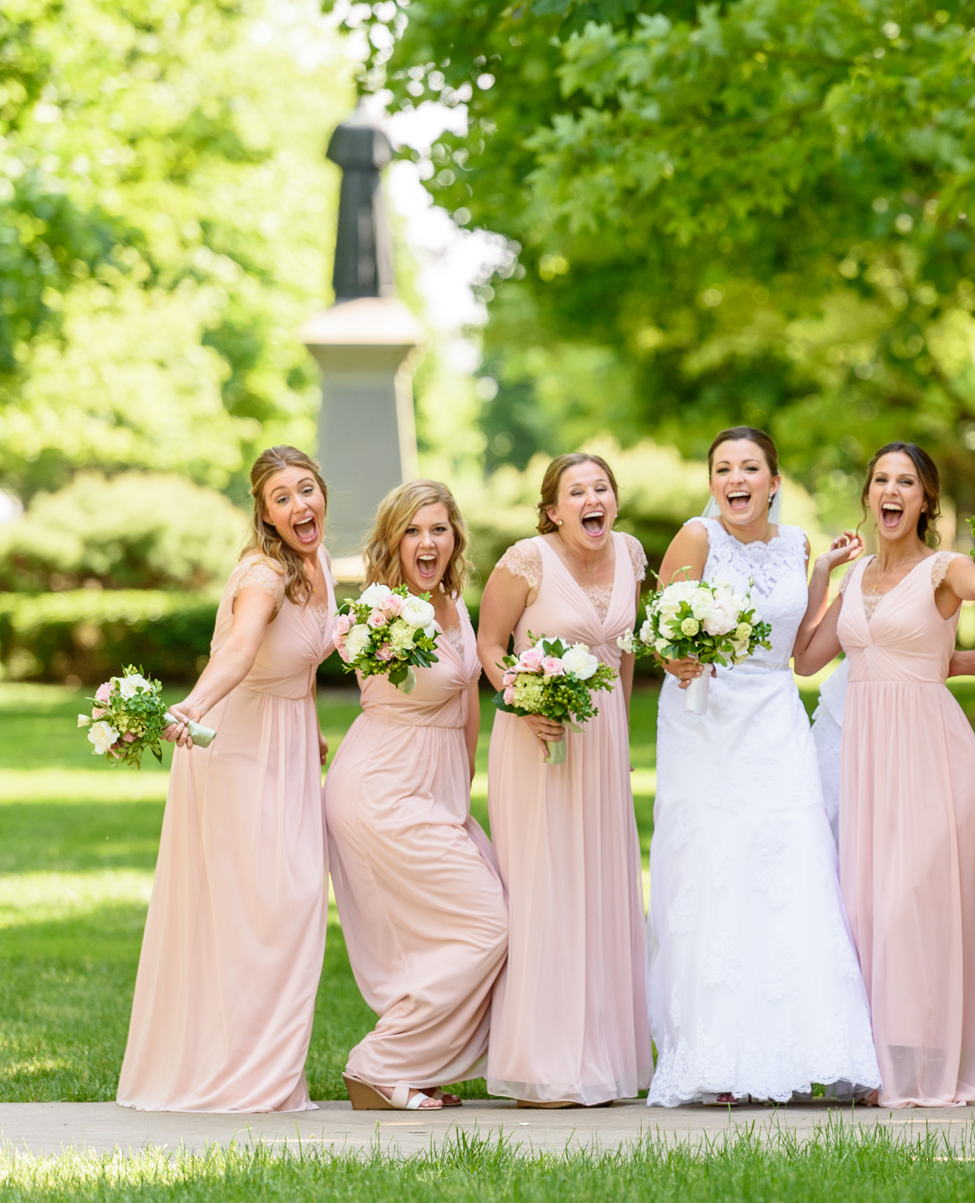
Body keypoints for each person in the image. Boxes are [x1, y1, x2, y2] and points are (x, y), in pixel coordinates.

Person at [645, 427, 880, 1107]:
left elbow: (802, 652)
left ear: (774, 480)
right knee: (715, 868)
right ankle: (716, 1058)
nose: (737, 478)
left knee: (790, 866)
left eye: (751, 467)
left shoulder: (797, 542)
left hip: (774, 717)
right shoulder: (696, 537)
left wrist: (826, 573)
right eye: (724, 468)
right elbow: (661, 629)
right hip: (705, 716)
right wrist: (677, 658)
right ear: (712, 480)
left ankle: (815, 1046)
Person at [793, 442, 975, 1108]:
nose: (891, 492)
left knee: (914, 906)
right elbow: (808, 659)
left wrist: (964, 660)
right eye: (881, 480)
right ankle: (880, 1064)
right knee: (867, 906)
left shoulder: (946, 569)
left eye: (907, 482)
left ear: (926, 499)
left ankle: (927, 1067)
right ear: (868, 495)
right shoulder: (858, 572)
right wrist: (821, 579)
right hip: (867, 755)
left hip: (931, 752)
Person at [118, 446, 336, 1113]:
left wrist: (308, 719)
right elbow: (240, 647)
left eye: (307, 489)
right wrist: (192, 705)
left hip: (288, 744)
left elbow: (293, 655)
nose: (300, 505)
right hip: (238, 750)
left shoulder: (317, 560)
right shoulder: (264, 574)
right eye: (282, 496)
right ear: (264, 513)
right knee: (271, 907)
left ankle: (266, 1070)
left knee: (290, 904)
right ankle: (242, 1076)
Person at [323, 480, 507, 1112]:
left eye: (438, 529)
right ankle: (380, 1064)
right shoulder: (379, 611)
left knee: (459, 929)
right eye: (412, 531)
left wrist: (462, 789)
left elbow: (465, 703)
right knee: (487, 924)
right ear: (393, 543)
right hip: (381, 786)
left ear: (454, 537)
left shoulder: (456, 603)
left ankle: (417, 1064)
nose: (426, 542)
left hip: (439, 791)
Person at [476, 453, 650, 1107]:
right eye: (576, 490)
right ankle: (543, 1065)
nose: (591, 497)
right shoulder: (525, 561)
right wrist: (521, 699)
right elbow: (489, 645)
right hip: (535, 736)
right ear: (552, 509)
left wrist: (622, 737)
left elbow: (624, 652)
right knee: (547, 888)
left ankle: (600, 1059)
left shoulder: (631, 554)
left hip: (601, 740)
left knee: (600, 888)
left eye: (601, 487)